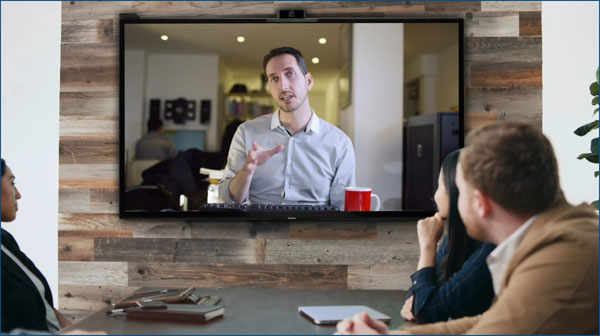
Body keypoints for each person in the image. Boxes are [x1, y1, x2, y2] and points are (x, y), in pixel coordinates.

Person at [336, 122, 599, 335]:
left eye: (459, 191)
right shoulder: (555, 234)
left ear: (480, 203)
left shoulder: (563, 256)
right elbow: (490, 322)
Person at [218, 46, 355, 208]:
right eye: (274, 79)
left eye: (290, 74)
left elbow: (343, 208)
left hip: (315, 230)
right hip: (260, 229)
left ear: (308, 81)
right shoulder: (246, 132)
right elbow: (228, 201)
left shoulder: (339, 143)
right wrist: (246, 171)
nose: (283, 86)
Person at [1, 159, 105, 335]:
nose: (18, 194)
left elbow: (44, 304)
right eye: (12, 183)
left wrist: (74, 330)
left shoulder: (5, 239)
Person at [401, 150, 495, 324]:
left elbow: (424, 310)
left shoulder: (491, 249)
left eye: (440, 186)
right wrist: (419, 304)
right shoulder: (458, 237)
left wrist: (428, 245)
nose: (435, 196)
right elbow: (420, 295)